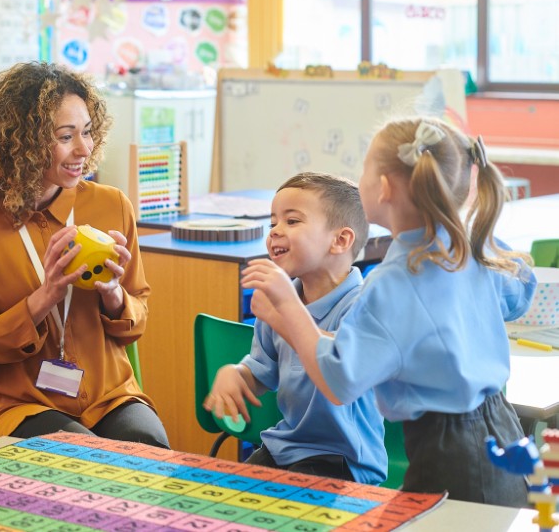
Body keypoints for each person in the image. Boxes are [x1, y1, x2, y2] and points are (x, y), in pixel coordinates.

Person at [247, 117, 536, 506]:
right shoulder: (466, 247)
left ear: (382, 188)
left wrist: (287, 305)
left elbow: (338, 379)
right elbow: (521, 292)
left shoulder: (396, 279)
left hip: (449, 454)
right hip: (503, 430)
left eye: (364, 168)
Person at [0, 61, 169, 446]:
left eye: (87, 132)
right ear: (22, 142)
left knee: (151, 456)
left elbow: (138, 320)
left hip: (111, 397)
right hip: (26, 405)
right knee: (84, 458)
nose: (84, 148)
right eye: (66, 136)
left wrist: (114, 294)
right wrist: (42, 299)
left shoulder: (112, 205)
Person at [204, 172, 387, 484]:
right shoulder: (280, 297)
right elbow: (262, 371)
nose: (275, 231)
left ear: (340, 240)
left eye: (292, 221)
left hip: (344, 459)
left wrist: (284, 315)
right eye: (273, 221)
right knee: (227, 496)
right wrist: (236, 374)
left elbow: (341, 364)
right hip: (286, 446)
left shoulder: (364, 304)